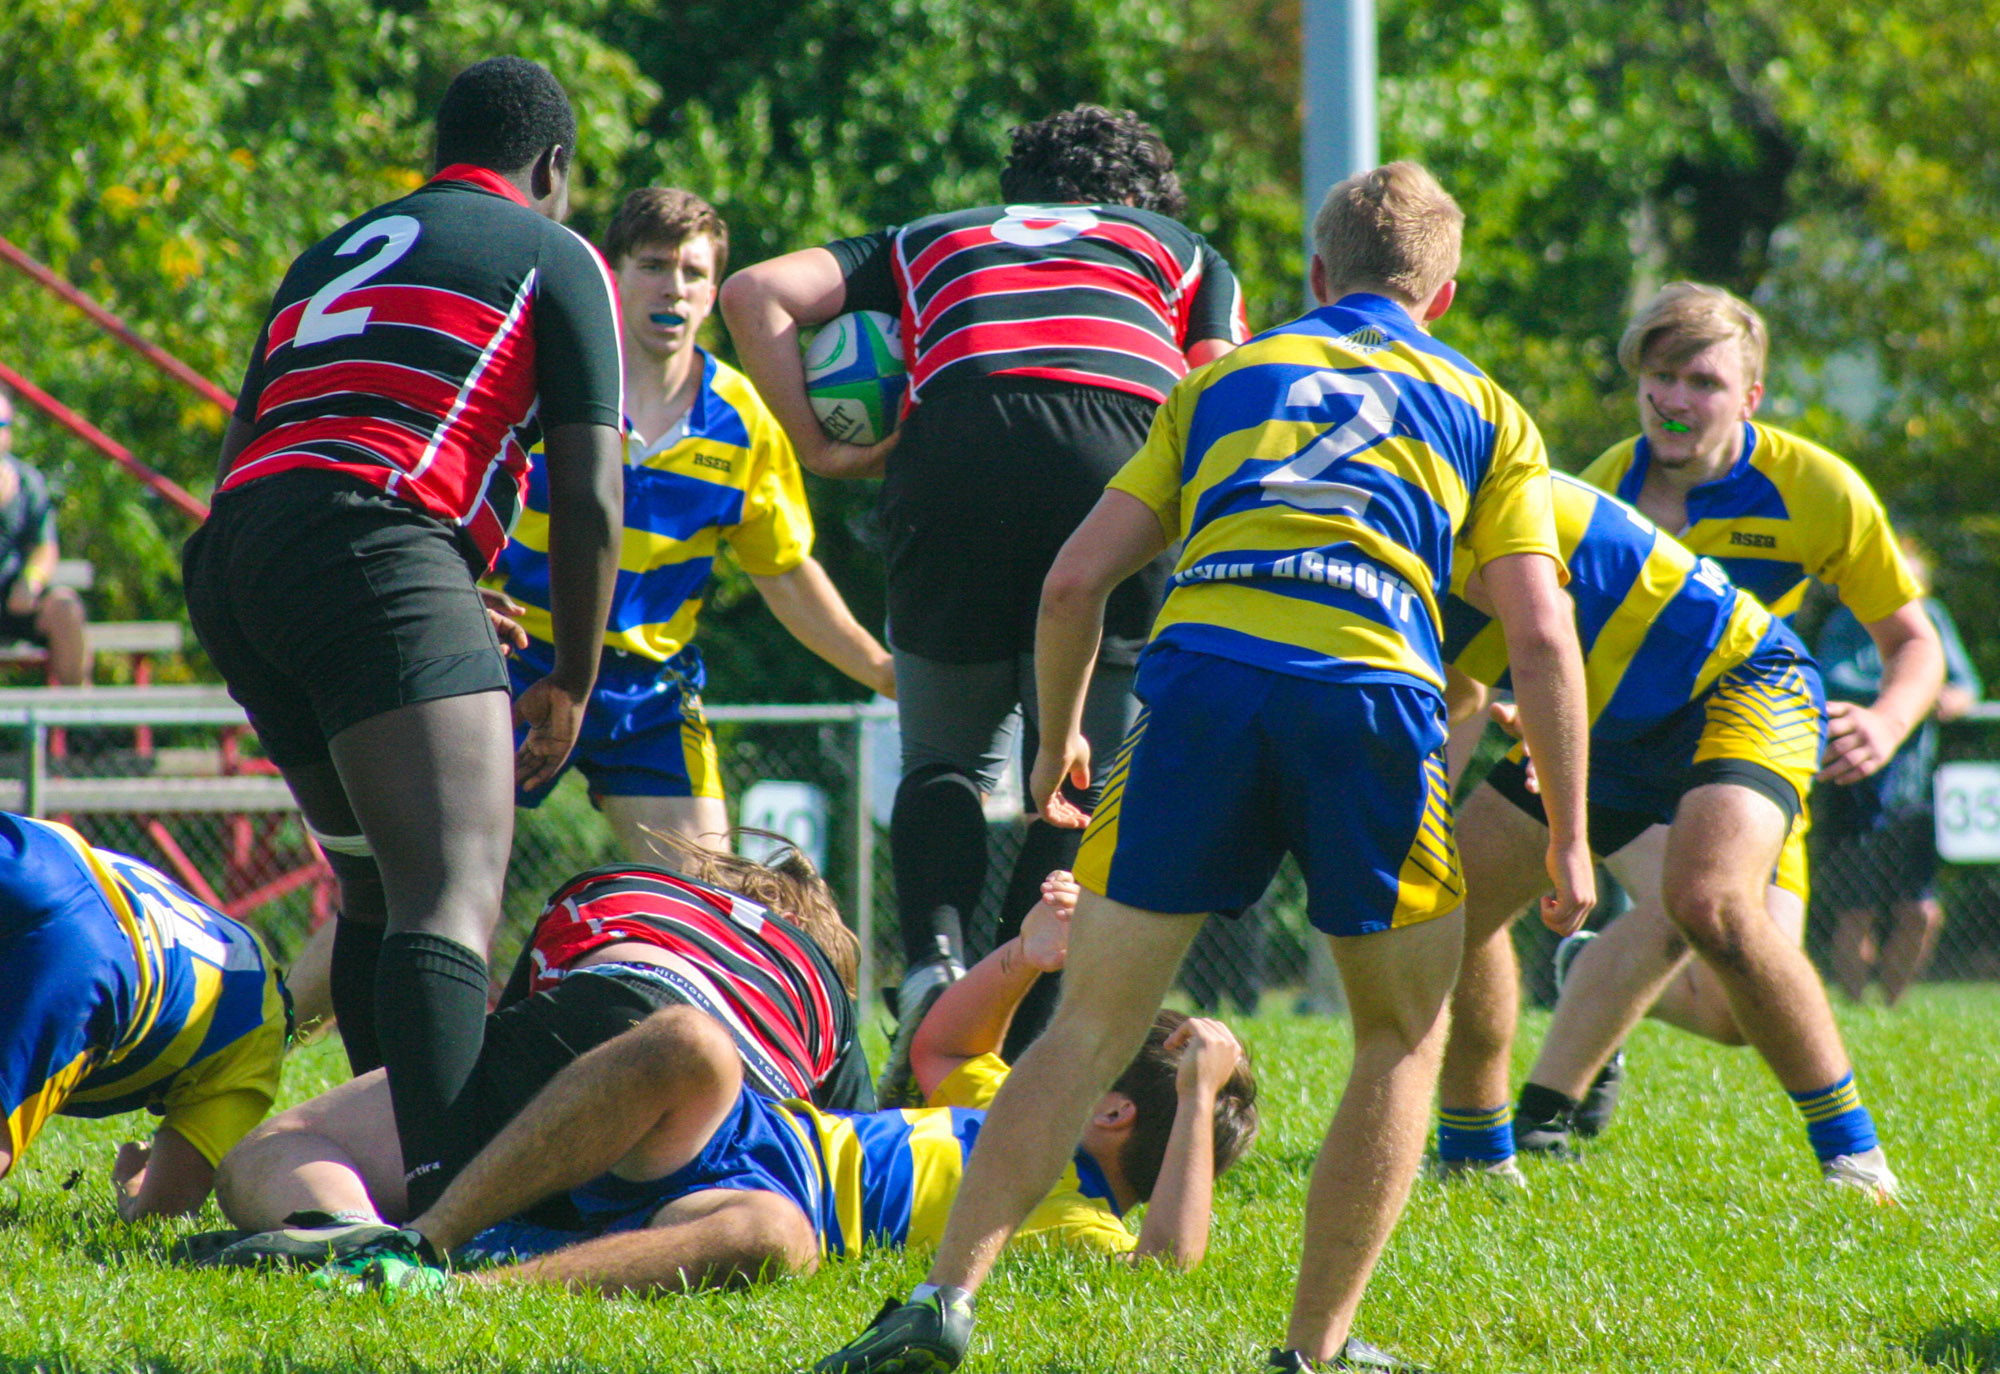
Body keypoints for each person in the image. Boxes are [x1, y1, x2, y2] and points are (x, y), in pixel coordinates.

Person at [814, 162, 1594, 1374]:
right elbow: (1542, 638)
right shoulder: (1486, 409)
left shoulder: (1224, 378)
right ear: (1438, 298)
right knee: (1395, 1037)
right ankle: (1313, 1352)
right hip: (1368, 698)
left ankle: (942, 1302)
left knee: (1086, 1026)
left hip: (1199, 693)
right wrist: (1568, 835)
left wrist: (1058, 736)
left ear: (1316, 276)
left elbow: (1074, 581)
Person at [721, 105, 1249, 1091]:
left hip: (951, 443)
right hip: (1116, 445)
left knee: (942, 756)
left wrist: (817, 443)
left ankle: (931, 965)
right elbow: (1212, 383)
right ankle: (1014, 1029)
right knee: (1077, 766)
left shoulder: (932, 236)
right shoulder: (1178, 248)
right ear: (1136, 204)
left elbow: (753, 293)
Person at [180, 57, 625, 1216]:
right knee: (453, 894)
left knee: (378, 890)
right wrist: (572, 676)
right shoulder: (554, 253)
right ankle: (447, 1203)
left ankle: (377, 1153)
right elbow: (590, 495)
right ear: (554, 169)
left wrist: (418, 581)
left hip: (241, 557)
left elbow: (270, 452)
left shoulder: (331, 252)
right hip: (371, 543)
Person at [209, 872, 1257, 1300]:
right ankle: (395, 1237)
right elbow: (938, 1050)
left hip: (767, 1193)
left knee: (775, 1242)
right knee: (696, 1045)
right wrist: (1024, 960)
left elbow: (1169, 1263)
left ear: (1111, 1111)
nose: (1052, 1057)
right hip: (745, 1124)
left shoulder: (1076, 1215)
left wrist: (1204, 1078)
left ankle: (447, 1274)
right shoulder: (1005, 1115)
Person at [1514, 282, 1945, 1152]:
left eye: (1703, 382)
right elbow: (1547, 630)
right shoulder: (1604, 489)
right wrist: (1533, 722)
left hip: (1757, 739)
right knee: (1691, 898)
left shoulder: (1816, 489)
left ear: (1751, 396)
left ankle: (1586, 967)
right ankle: (1534, 1123)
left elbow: (1915, 643)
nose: (1674, 400)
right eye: (1659, 378)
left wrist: (1890, 722)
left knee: (1738, 1010)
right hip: (1631, 748)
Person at [1432, 472, 1896, 1195]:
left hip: (1741, 680)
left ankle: (1856, 1159)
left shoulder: (1468, 488)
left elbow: (1543, 641)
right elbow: (1461, 686)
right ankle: (1477, 1156)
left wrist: (1568, 830)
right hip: (1602, 718)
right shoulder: (1368, 514)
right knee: (1446, 901)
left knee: (1708, 904)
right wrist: (1425, 817)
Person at [200, 839, 872, 1266]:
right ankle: (586, 1253)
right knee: (756, 1218)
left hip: (606, 1008)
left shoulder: (626, 885)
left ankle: (353, 1235)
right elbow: (853, 1149)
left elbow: (491, 1045)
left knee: (277, 1147)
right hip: (732, 1104)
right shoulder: (825, 990)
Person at [487, 188, 895, 858]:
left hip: (647, 691)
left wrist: (878, 669)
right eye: (652, 266)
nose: (673, 289)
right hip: (513, 665)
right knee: (429, 888)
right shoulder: (542, 385)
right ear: (611, 275)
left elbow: (785, 572)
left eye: (693, 272)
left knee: (708, 899)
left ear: (713, 294)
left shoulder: (744, 420)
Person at [0, 812, 289, 1219]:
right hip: (104, 957)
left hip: (53, 856)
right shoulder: (255, 1042)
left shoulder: (229, 951)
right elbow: (159, 1210)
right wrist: (131, 1188)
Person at [1819, 539, 1982, 1005]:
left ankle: (1891, 1007)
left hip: (1913, 791)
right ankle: (1855, 1006)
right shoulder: (1847, 621)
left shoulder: (1933, 618)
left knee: (1921, 911)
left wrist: (1951, 698)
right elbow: (1833, 680)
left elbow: (1965, 683)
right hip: (1857, 784)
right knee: (1858, 909)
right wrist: (1905, 694)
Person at [0, 388, 90, 685]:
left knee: (65, 609)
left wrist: (31, 581)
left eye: (2, 425)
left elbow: (45, 546)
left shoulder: (27, 482)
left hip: (16, 604)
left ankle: (81, 719)